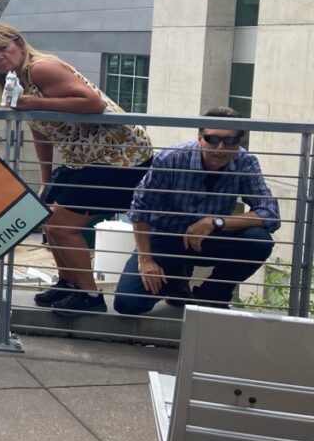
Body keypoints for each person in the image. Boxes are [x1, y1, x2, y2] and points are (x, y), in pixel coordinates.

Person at [0, 23, 152, 317]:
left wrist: (35, 102)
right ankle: (69, 283)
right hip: (86, 158)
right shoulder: (16, 80)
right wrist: (46, 179)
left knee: (61, 224)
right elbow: (41, 130)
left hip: (121, 157)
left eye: (3, 49)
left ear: (20, 44)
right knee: (48, 215)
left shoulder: (41, 69)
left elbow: (92, 102)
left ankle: (89, 296)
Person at [113, 108, 279, 315]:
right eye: (212, 139)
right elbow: (140, 209)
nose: (220, 147)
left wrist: (214, 222)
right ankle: (175, 280)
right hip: (165, 239)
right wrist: (146, 260)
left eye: (230, 140)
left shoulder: (245, 163)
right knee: (128, 304)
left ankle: (211, 296)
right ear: (199, 138)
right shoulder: (170, 160)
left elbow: (270, 213)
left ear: (239, 141)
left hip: (210, 239)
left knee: (258, 240)